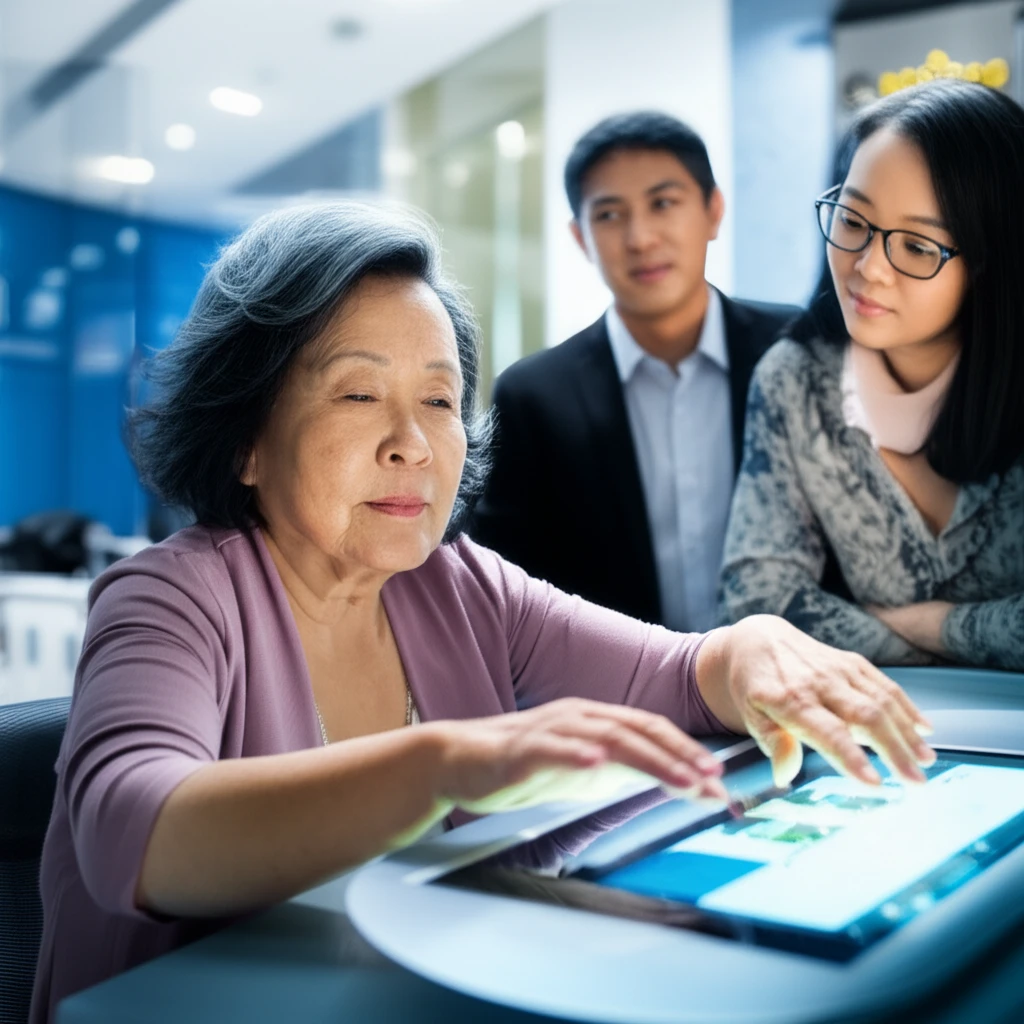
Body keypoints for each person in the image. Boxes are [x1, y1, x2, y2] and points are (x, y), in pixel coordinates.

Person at [31, 201, 935, 1024]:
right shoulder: (169, 595)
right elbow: (134, 833)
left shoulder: (455, 580)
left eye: (438, 400)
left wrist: (752, 647)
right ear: (245, 441)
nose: (414, 444)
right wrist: (449, 764)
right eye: (357, 394)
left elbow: (677, 676)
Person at [719, 80, 1024, 670]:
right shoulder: (797, 381)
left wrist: (941, 626)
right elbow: (755, 605)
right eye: (853, 221)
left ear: (994, 257)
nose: (868, 269)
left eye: (915, 246)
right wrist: (936, 652)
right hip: (893, 725)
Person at [470, 111, 799, 632]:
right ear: (581, 238)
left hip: (802, 679)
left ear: (714, 210)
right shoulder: (533, 396)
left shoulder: (799, 349)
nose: (640, 237)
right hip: (624, 700)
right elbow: (507, 586)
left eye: (663, 204)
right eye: (609, 215)